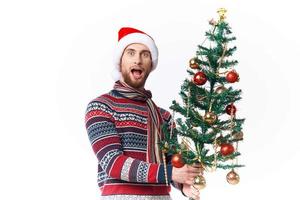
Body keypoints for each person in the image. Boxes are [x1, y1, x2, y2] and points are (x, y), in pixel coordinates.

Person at [85, 27, 202, 200]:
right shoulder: (101, 106)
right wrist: (170, 173)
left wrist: (184, 182)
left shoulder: (164, 116)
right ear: (120, 61)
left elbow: (171, 162)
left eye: (145, 54)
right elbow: (113, 163)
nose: (138, 60)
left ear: (151, 64)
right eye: (131, 53)